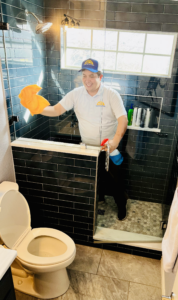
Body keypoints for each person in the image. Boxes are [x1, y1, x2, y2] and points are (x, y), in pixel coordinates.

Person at [41, 58, 128, 220]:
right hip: (88, 149)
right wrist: (36, 107)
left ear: (100, 77)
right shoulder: (75, 94)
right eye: (84, 75)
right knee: (94, 177)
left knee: (115, 181)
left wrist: (115, 141)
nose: (87, 80)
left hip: (110, 149)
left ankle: (121, 205)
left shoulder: (111, 95)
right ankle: (98, 199)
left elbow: (123, 119)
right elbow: (55, 110)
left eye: (92, 76)